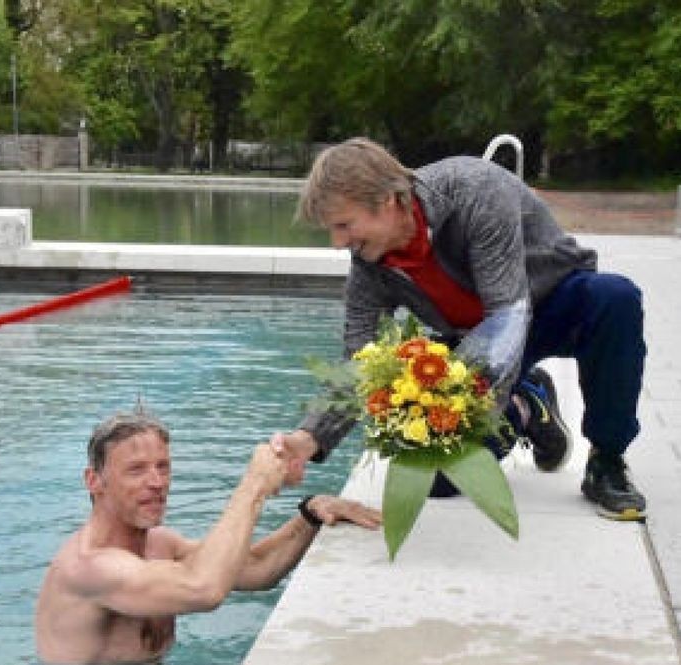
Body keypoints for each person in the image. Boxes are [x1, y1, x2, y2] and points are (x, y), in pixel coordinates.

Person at [272, 137, 648, 521]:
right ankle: (528, 405)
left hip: (547, 304)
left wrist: (472, 412)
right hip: (475, 339)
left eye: (343, 225)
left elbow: (507, 315)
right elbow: (359, 360)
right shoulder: (369, 265)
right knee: (435, 477)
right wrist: (310, 437)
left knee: (615, 298)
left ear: (387, 201)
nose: (338, 243)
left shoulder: (475, 190)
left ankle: (607, 459)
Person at [35, 408, 380, 665]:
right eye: (136, 469)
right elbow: (204, 588)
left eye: (163, 467)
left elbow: (255, 568)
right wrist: (254, 485)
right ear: (94, 481)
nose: (157, 482)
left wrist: (311, 514)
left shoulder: (161, 544)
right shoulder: (87, 567)